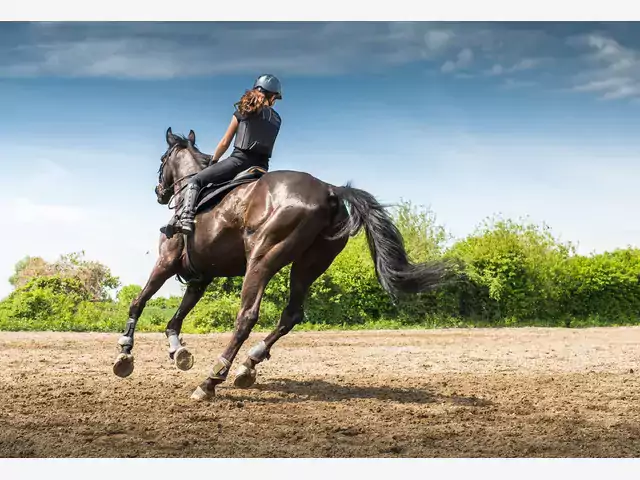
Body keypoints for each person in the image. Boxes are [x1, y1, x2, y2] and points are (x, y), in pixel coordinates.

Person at [168, 74, 283, 236]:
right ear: (271, 97)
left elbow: (224, 142)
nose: (274, 102)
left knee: (196, 180)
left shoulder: (244, 111)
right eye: (275, 99)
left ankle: (185, 218)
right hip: (262, 168)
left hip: (239, 162)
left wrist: (213, 161)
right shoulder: (277, 119)